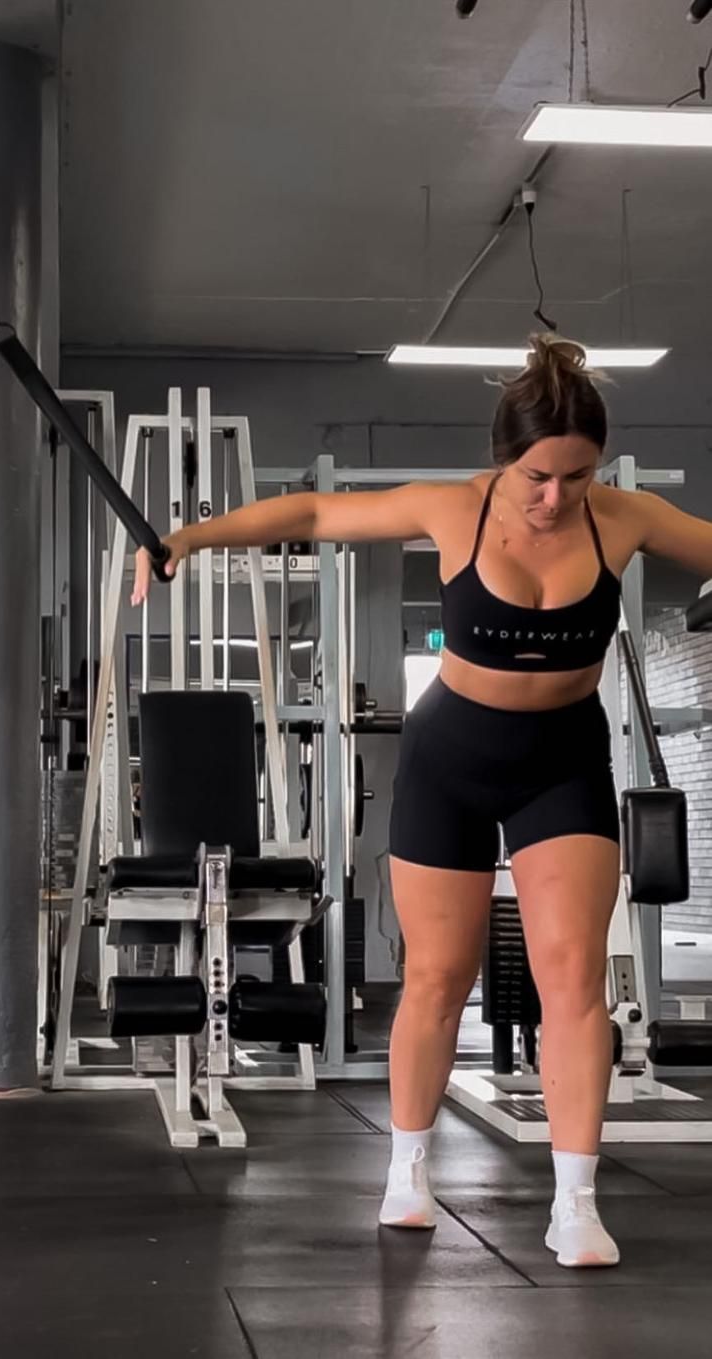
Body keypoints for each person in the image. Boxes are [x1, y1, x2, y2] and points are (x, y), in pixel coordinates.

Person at [131, 335, 712, 1269]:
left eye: (575, 475)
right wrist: (192, 537)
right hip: (450, 756)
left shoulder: (624, 516)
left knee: (573, 978)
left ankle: (574, 1201)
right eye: (537, 474)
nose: (555, 496)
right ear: (503, 457)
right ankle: (407, 1170)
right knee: (439, 974)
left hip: (563, 760)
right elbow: (318, 511)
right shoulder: (452, 509)